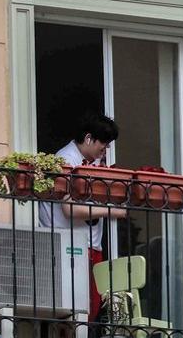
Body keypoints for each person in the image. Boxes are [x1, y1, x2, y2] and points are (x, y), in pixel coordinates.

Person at [38, 113, 127, 322]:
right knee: (75, 306)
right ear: (88, 138)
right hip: (69, 244)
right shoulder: (67, 161)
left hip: (86, 243)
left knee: (88, 306)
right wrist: (112, 211)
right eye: (103, 145)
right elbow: (70, 209)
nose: (104, 151)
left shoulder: (87, 162)